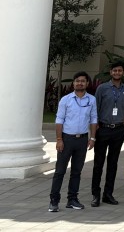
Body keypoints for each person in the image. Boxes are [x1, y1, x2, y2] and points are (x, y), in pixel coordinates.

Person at [49, 71, 98, 213]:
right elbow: (59, 120)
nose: (79, 83)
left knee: (76, 171)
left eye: (82, 81)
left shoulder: (91, 100)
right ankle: (54, 201)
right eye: (77, 81)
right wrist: (59, 139)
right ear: (73, 83)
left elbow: (94, 119)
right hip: (66, 139)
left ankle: (72, 199)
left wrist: (92, 138)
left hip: (82, 140)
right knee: (60, 171)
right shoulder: (66, 100)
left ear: (87, 83)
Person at [91, 61, 124, 207]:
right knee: (98, 163)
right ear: (110, 72)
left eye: (120, 70)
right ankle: (95, 195)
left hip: (118, 130)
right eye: (115, 70)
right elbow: (95, 109)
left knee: (113, 163)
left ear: (123, 72)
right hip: (103, 129)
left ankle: (108, 194)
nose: (117, 73)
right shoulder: (102, 88)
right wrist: (95, 129)